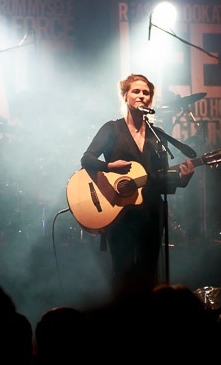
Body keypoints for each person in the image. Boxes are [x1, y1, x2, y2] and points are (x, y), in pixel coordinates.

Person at [79, 73, 195, 298]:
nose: (142, 96)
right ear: (125, 96)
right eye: (136, 91)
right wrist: (110, 166)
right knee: (122, 270)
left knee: (148, 272)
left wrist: (181, 181)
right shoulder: (112, 129)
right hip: (119, 212)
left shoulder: (156, 136)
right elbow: (87, 159)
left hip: (151, 212)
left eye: (146, 92)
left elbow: (157, 179)